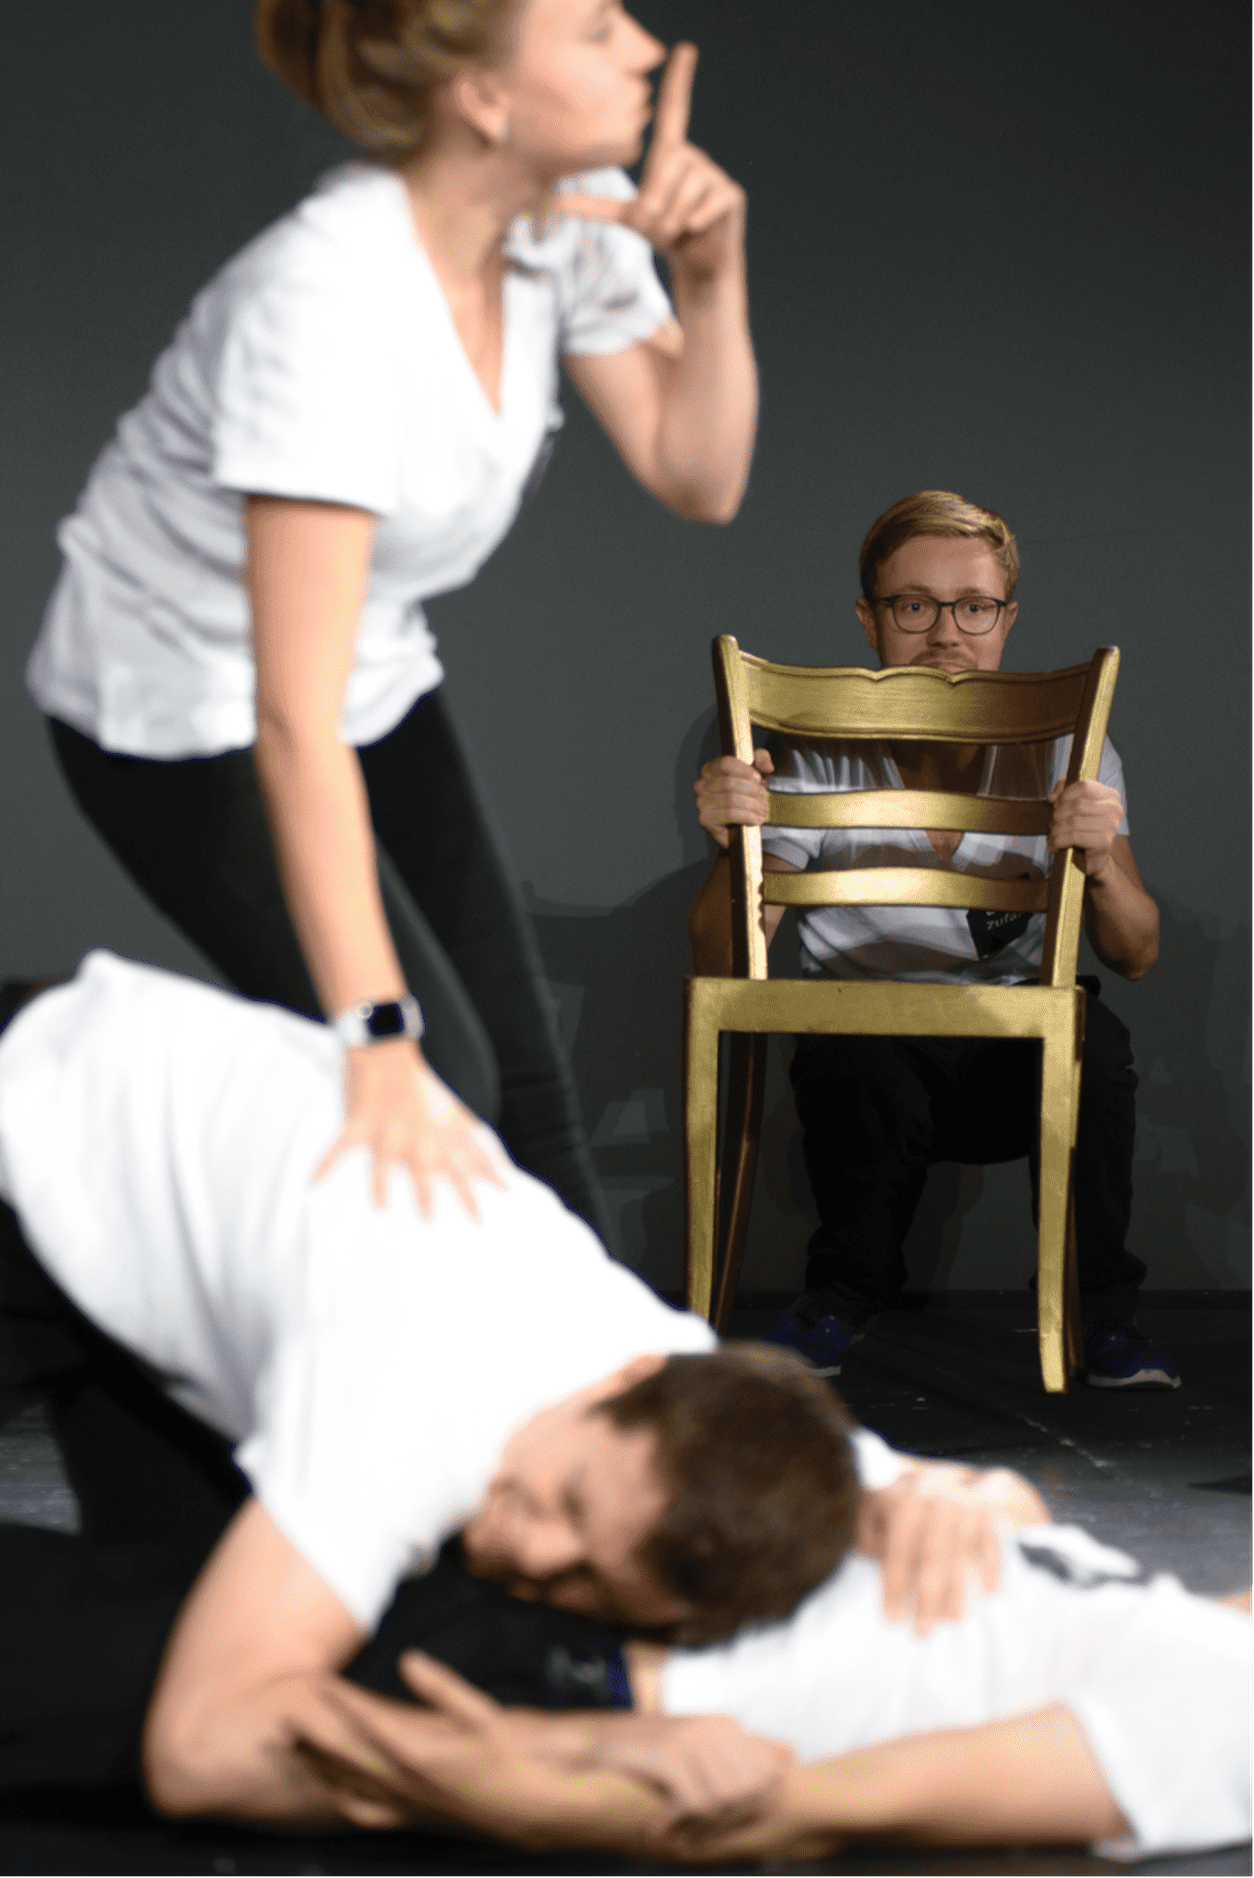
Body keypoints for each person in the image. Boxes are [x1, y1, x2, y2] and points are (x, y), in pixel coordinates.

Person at [24, 0, 758, 1237]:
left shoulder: (564, 227)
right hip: (171, 705)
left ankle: (601, 1364)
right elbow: (289, 720)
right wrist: (371, 1040)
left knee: (526, 1087)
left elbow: (700, 473)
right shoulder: (325, 298)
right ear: (483, 95)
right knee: (429, 1079)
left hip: (360, 667)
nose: (645, 46)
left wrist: (712, 275)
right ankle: (42, 1082)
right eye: (594, 29)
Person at [0, 953, 1039, 1824]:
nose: (536, 1555)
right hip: (35, 1104)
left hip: (170, 1254)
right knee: (213, 1698)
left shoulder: (669, 1383)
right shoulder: (400, 1403)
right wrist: (573, 1755)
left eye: (590, 1580)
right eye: (569, 1505)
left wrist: (955, 1495)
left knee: (158, 1645)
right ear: (623, 1385)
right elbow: (201, 1754)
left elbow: (1001, 1513)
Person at [688, 490, 1173, 1390]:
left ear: (1006, 620)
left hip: (1012, 1051)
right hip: (865, 1060)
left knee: (1095, 1044)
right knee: (857, 1047)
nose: (947, 634)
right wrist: (733, 849)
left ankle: (1103, 1316)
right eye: (914, 605)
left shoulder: (1067, 749)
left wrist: (1103, 862)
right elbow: (723, 960)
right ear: (869, 619)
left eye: (973, 607)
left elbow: (1136, 953)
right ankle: (839, 1299)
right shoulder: (813, 750)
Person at [309, 1526, 1251, 1866]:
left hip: (549, 1677)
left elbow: (837, 1803)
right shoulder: (1198, 1632)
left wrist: (541, 1795)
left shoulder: (1228, 1711)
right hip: (568, 1583)